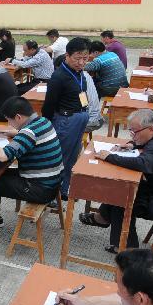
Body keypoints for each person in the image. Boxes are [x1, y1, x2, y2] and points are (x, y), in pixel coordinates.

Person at [80, 109, 153, 252]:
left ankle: (127, 249)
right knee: (122, 190)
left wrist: (109, 157)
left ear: (151, 129)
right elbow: (147, 146)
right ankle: (103, 218)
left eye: (135, 132)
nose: (132, 135)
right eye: (131, 131)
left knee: (123, 199)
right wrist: (133, 145)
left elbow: (143, 163)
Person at [0, 97, 64, 233]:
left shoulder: (28, 133)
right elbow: (31, 137)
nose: (9, 123)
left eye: (9, 120)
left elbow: (3, 155)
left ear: (18, 117)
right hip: (52, 183)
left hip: (39, 189)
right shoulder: (43, 121)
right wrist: (14, 133)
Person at [42, 37, 91, 200]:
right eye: (78, 58)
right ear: (67, 56)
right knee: (61, 157)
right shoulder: (58, 76)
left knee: (72, 156)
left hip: (79, 117)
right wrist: (47, 126)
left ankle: (64, 188)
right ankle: (51, 194)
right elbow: (49, 105)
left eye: (85, 58)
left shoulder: (79, 72)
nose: (82, 62)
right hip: (66, 120)